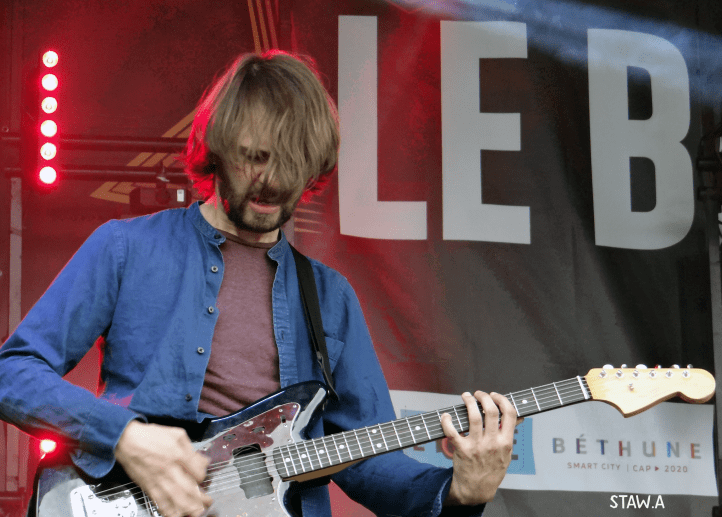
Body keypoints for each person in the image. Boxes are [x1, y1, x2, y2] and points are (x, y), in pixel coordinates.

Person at [0, 51, 517, 517]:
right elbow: (12, 372)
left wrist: (460, 491)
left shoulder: (330, 298)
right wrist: (125, 436)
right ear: (219, 148)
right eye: (255, 157)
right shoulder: (126, 247)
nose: (271, 181)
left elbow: (369, 464)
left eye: (291, 165)